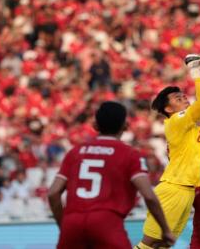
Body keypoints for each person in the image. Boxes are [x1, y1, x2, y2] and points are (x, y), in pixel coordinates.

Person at [48, 101, 175, 249]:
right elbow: (149, 196)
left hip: (72, 223)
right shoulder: (130, 154)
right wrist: (165, 230)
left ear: (95, 126)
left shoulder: (75, 152)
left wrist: (64, 225)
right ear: (126, 126)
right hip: (106, 222)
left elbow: (53, 193)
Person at [135, 54, 200, 249]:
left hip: (186, 188)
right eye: (178, 98)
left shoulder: (191, 120)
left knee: (164, 244)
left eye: (183, 95)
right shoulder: (176, 119)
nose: (184, 97)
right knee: (149, 242)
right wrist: (196, 72)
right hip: (174, 187)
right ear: (168, 108)